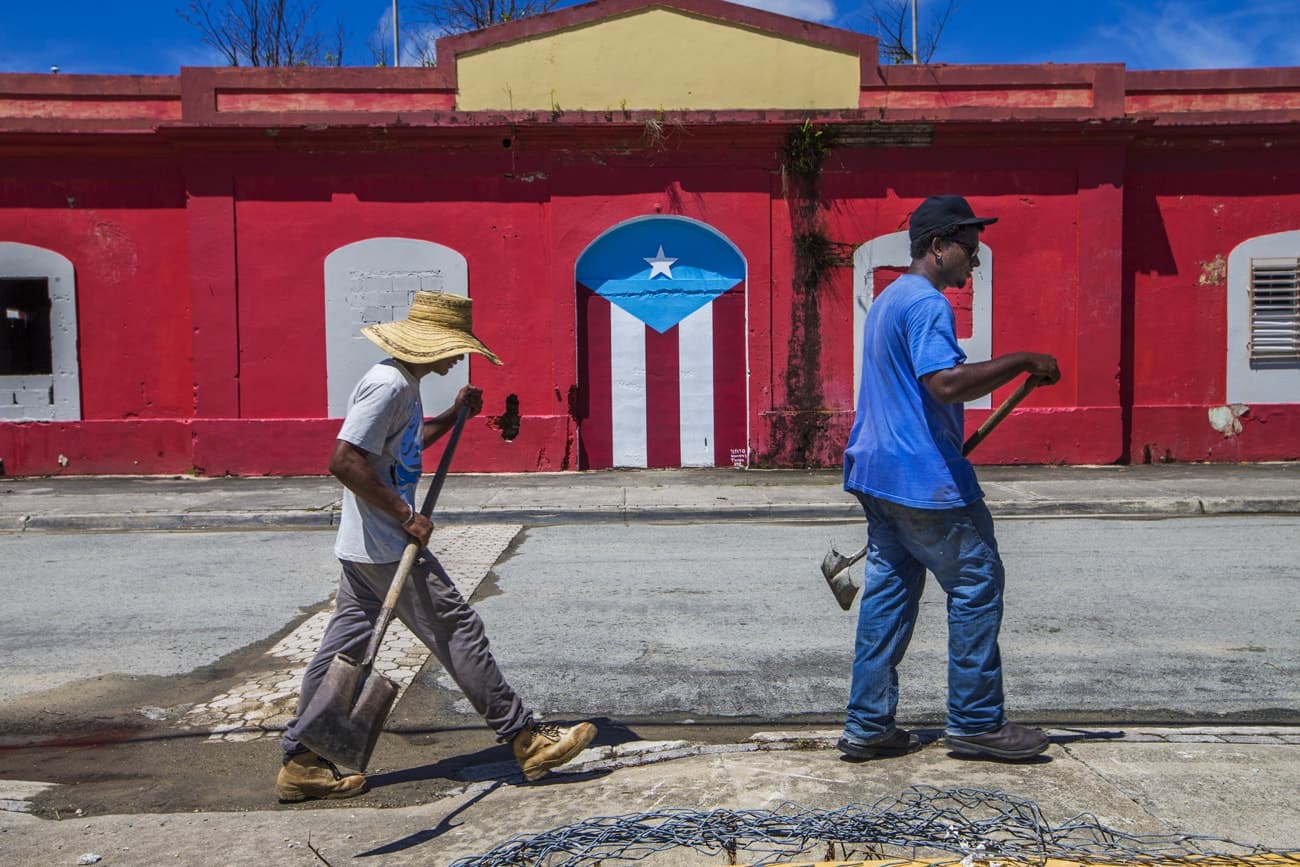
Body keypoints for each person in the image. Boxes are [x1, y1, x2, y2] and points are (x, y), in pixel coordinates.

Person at [276, 291, 596, 803]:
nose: (456, 358)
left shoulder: (404, 382)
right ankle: (525, 738)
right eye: (454, 348)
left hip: (365, 547)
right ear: (431, 344)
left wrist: (453, 414)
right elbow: (344, 459)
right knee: (457, 628)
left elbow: (402, 445)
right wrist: (406, 514)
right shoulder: (387, 385)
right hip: (385, 544)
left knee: (343, 648)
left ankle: (302, 761)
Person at [839, 195, 1060, 763]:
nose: (975, 262)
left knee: (887, 596)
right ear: (938, 246)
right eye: (970, 248)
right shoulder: (929, 304)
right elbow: (944, 384)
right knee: (977, 584)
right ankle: (977, 722)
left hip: (877, 474)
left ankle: (867, 726)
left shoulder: (889, 299)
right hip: (924, 482)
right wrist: (1024, 360)